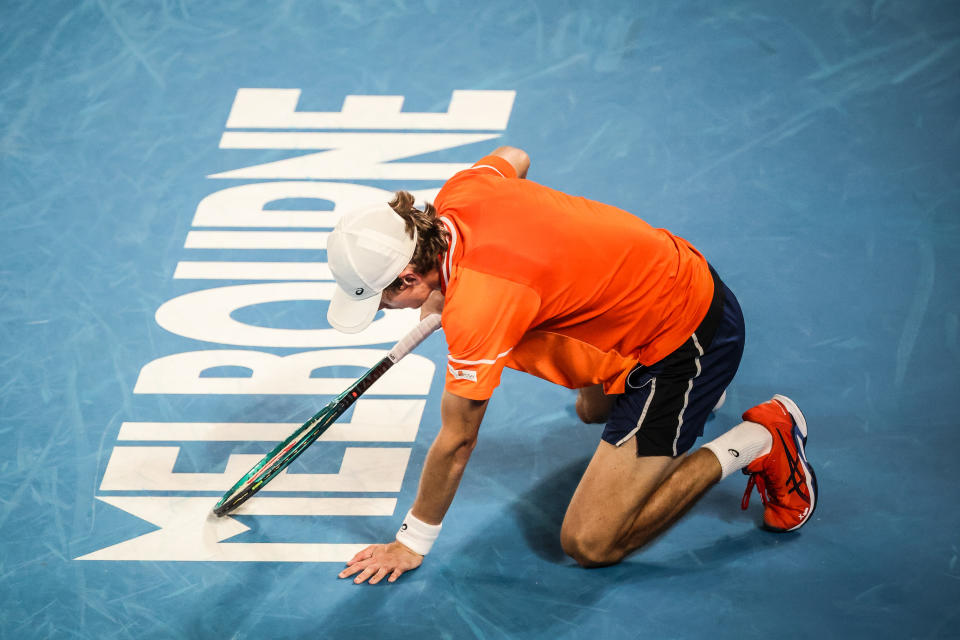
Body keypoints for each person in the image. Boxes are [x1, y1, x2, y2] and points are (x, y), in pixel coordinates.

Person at [327, 146, 818, 585]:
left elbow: (457, 442)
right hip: (672, 279)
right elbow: (514, 156)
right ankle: (696, 400)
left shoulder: (478, 310)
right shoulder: (463, 192)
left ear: (410, 276)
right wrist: (451, 288)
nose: (388, 310)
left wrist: (412, 541)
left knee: (590, 543)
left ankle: (761, 439)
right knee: (591, 409)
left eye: (382, 301)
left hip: (686, 342)